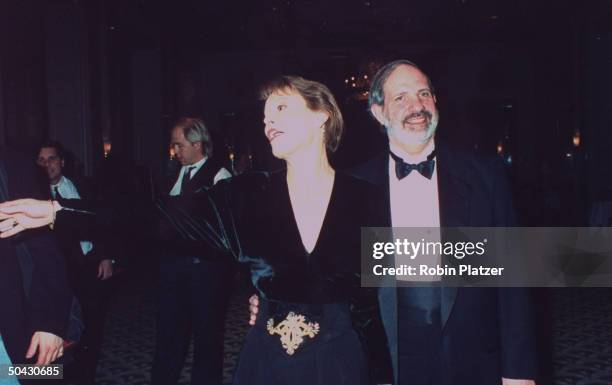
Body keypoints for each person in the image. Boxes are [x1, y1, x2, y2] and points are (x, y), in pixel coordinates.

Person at [0, 76, 386, 385]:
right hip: (267, 363)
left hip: (338, 362)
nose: (268, 122)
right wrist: (58, 211)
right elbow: (152, 216)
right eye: (265, 115)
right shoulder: (248, 194)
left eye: (281, 108)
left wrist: (383, 374)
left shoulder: (367, 198)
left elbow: (377, 300)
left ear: (322, 115)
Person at [249, 60, 538, 385]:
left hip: (471, 354)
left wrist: (519, 371)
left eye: (424, 93)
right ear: (378, 112)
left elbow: (512, 281)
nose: (417, 106)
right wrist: (272, 298)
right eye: (401, 97)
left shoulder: (484, 176)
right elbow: (325, 272)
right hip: (385, 354)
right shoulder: (350, 185)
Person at [151, 118, 232, 385]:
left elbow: (226, 230)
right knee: (169, 335)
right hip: (172, 271)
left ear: (197, 144)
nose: (175, 151)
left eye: (179, 145)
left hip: (205, 273)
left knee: (207, 339)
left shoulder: (220, 176)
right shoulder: (173, 174)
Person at [36, 141, 114, 385]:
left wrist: (105, 256)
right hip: (56, 276)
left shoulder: (82, 186)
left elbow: (103, 222)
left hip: (88, 267)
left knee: (91, 329)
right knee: (60, 333)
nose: (47, 164)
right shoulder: (32, 194)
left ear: (62, 161)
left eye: (51, 158)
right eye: (41, 160)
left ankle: (85, 378)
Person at [0, 147, 72, 385]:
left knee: (31, 374)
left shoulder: (14, 166)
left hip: (13, 325)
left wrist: (50, 323)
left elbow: (45, 251)